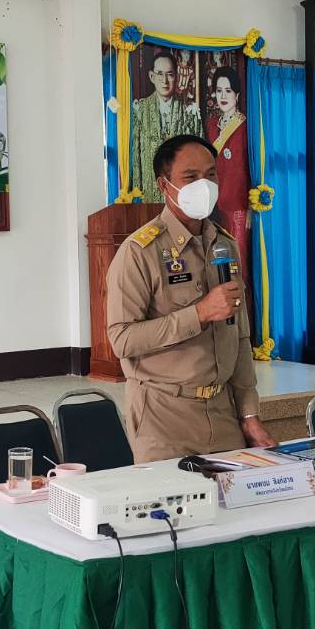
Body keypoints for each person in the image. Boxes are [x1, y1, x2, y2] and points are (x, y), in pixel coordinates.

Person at [106, 134, 275, 462]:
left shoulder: (225, 245)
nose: (204, 185)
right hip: (163, 418)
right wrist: (198, 314)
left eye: (211, 175)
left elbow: (239, 336)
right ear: (164, 185)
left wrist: (249, 414)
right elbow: (122, 340)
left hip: (223, 414)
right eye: (191, 177)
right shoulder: (139, 252)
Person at [128, 48, 203, 202]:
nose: (165, 80)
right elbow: (135, 159)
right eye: (160, 74)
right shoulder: (140, 110)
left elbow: (199, 157)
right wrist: (137, 193)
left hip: (182, 195)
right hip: (149, 194)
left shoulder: (190, 111)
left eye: (170, 74)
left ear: (176, 76)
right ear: (152, 76)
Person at [206, 64, 252, 302]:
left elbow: (252, 168)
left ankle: (243, 314)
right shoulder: (211, 125)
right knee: (217, 263)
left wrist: (251, 208)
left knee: (238, 263)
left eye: (228, 90)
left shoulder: (246, 127)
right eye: (219, 90)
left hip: (237, 206)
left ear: (237, 94)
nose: (223, 96)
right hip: (214, 206)